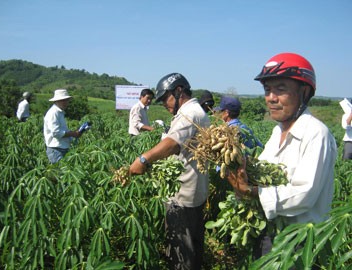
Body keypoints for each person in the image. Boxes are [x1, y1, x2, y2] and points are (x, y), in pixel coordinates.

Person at [226, 52, 337, 258]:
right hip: (272, 234)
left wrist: (253, 192)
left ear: (304, 92)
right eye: (267, 90)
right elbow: (264, 172)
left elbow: (305, 194)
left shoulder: (315, 133)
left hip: (298, 243)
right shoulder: (278, 131)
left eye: (280, 89)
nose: (271, 98)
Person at [129, 73, 210, 269]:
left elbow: (173, 143)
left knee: (182, 252)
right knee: (192, 248)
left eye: (166, 98)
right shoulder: (193, 111)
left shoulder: (190, 114)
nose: (164, 104)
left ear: (179, 91)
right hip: (193, 190)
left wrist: (143, 160)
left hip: (184, 196)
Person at [43, 89, 81, 164]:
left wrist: (73, 134)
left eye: (66, 100)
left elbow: (61, 130)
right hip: (56, 150)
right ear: (56, 101)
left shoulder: (59, 112)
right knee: (60, 173)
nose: (65, 102)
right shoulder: (53, 113)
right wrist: (72, 134)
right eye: (62, 100)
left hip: (61, 148)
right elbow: (56, 133)